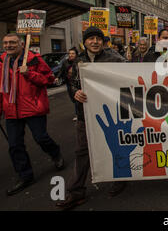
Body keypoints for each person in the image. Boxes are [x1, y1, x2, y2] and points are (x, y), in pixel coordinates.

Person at [56, 27, 127, 210]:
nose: (95, 42)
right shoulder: (78, 61)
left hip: (111, 113)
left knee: (114, 147)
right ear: (85, 42)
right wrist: (76, 93)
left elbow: (129, 78)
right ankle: (76, 192)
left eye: (98, 38)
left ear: (103, 42)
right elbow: (72, 84)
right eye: (91, 39)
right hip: (85, 114)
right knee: (82, 152)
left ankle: (119, 180)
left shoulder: (115, 59)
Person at [0, 33, 64, 196]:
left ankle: (55, 153)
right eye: (6, 42)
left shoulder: (34, 60)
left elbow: (49, 79)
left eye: (12, 42)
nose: (8, 45)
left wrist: (29, 74)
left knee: (41, 138)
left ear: (22, 44)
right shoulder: (0, 62)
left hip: (33, 108)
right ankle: (25, 175)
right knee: (14, 145)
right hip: (11, 110)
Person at [56, 47, 79, 121]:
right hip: (69, 83)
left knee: (77, 99)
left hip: (78, 84)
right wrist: (58, 77)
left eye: (73, 53)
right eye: (69, 53)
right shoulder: (65, 62)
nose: (71, 55)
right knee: (73, 99)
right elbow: (61, 70)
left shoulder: (79, 61)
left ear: (76, 54)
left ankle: (78, 114)